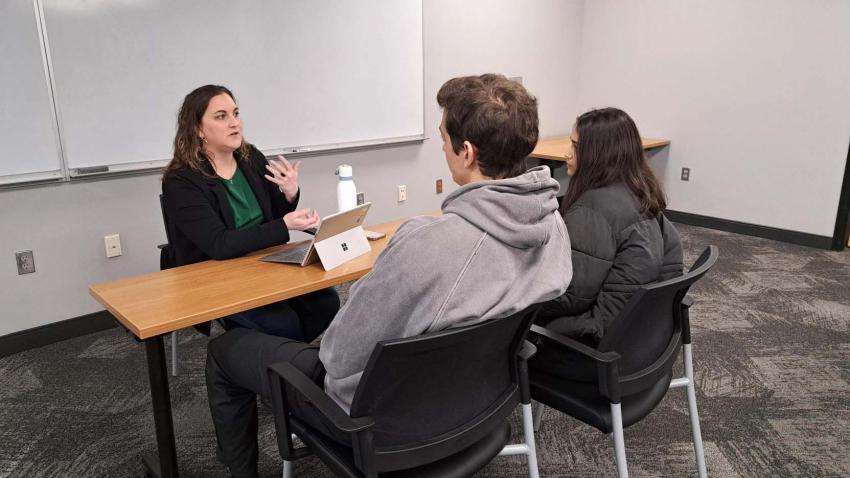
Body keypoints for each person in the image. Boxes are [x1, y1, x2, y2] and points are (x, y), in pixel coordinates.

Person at [204, 74, 574, 478]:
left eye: (442, 136)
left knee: (226, 350)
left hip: (379, 423)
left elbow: (338, 356)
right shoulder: (552, 224)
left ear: (466, 152)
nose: (441, 147)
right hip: (478, 401)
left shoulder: (427, 244)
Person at [162, 84, 338, 340]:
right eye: (221, 116)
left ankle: (287, 359)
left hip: (265, 261)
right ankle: (281, 363)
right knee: (282, 324)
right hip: (217, 275)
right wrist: (285, 224)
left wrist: (289, 194)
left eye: (236, 113)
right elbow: (219, 244)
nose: (235, 123)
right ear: (198, 129)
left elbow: (275, 214)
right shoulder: (181, 181)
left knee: (326, 302)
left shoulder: (250, 157)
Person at [532, 107, 683, 381]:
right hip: (644, 342)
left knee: (498, 331)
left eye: (575, 146)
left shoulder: (593, 210)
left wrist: (522, 298)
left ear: (598, 154)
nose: (567, 153)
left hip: (596, 351)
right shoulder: (642, 194)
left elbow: (569, 297)